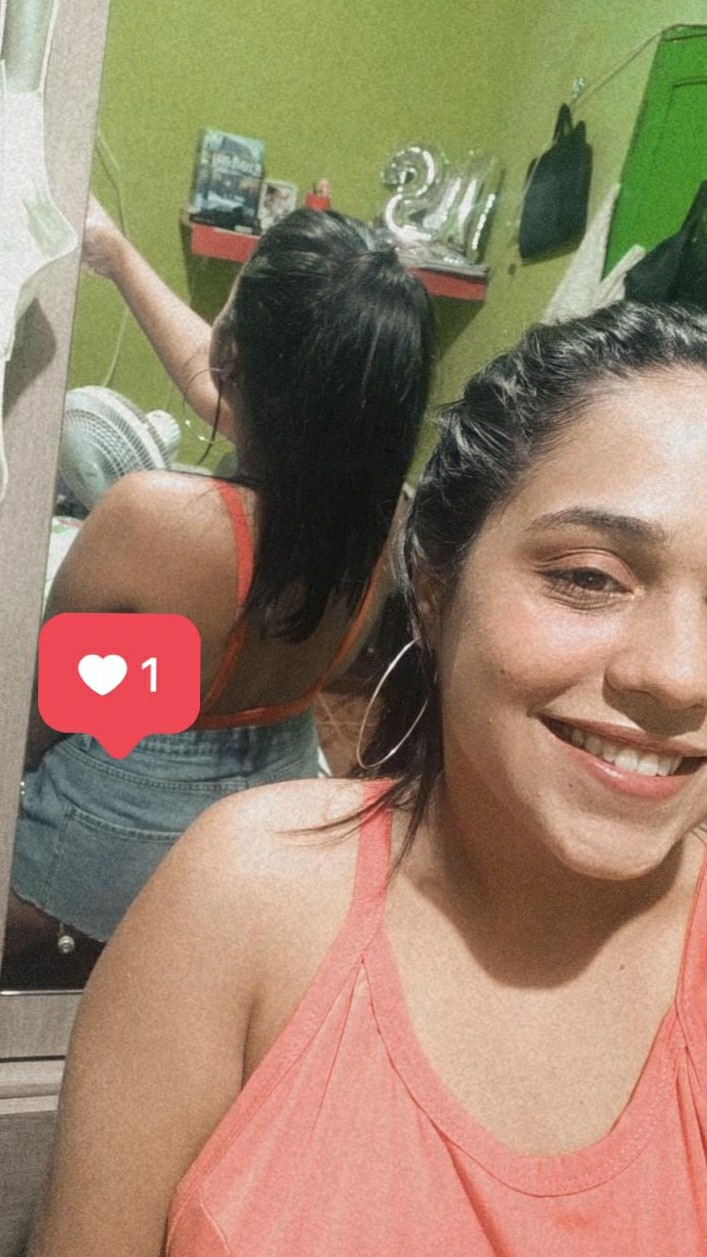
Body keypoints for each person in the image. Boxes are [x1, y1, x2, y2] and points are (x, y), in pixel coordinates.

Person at [28, 301, 707, 1254]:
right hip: (269, 766)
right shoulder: (370, 542)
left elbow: (60, 701)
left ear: (241, 372)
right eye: (591, 578)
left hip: (110, 828)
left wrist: (163, 682)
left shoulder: (163, 519)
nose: (679, 674)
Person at [6, 201, 434, 952]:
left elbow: (47, 713)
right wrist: (118, 256)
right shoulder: (385, 526)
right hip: (266, 845)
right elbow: (234, 392)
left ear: (230, 351)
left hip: (106, 860)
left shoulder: (153, 520)